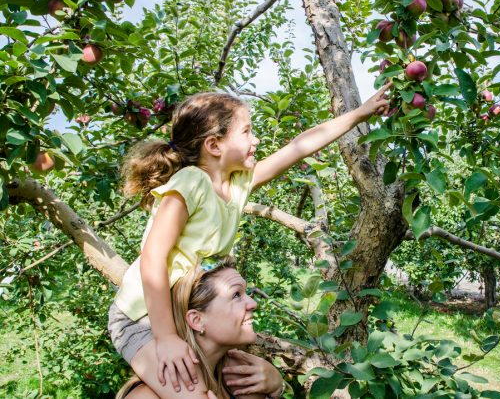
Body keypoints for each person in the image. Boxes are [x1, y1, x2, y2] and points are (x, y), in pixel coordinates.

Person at [108, 86, 391, 399]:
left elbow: (299, 146)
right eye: (246, 132)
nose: (256, 140)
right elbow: (152, 258)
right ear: (214, 145)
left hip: (185, 316)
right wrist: (165, 337)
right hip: (142, 319)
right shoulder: (191, 182)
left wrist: (360, 113)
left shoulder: (237, 184)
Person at [116, 259, 284, 398]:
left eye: (246, 293)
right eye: (236, 295)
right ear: (197, 320)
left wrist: (277, 387)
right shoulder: (145, 396)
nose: (253, 304)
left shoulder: (240, 380)